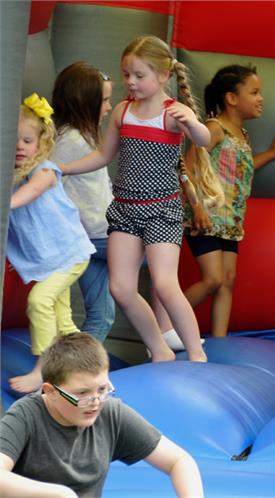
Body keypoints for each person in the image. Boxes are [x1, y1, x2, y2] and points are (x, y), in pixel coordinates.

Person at [60, 35, 210, 362]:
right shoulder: (123, 112)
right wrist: (64, 168)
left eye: (139, 75)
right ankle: (159, 349)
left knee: (165, 284)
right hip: (125, 211)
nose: (131, 81)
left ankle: (197, 354)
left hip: (161, 210)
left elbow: (204, 140)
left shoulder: (173, 114)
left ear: (164, 75)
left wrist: (193, 123)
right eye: (126, 74)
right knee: (121, 288)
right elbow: (103, 155)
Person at [155, 63, 275, 338]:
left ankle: (220, 339)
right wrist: (197, 207)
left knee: (227, 282)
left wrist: (272, 153)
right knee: (213, 279)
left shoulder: (241, 134)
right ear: (232, 98)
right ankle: (161, 326)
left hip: (229, 222)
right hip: (206, 218)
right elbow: (187, 166)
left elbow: (240, 167)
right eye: (254, 93)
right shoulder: (215, 128)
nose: (260, 99)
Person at [0, 333, 203, 498]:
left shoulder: (110, 413)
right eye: (82, 393)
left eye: (103, 389)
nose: (95, 401)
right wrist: (58, 494)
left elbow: (180, 461)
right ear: (51, 391)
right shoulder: (26, 415)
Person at [7, 94, 95, 393]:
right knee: (63, 320)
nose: (20, 147)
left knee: (39, 301)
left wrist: (6, 204)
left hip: (69, 254)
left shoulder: (44, 170)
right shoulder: (13, 179)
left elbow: (33, 191)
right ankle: (88, 365)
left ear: (41, 143)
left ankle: (43, 368)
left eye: (27, 141)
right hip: (51, 260)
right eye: (14, 141)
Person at [50, 61, 116, 343]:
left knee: (102, 314)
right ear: (84, 102)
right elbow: (50, 185)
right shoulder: (70, 141)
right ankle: (164, 331)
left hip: (92, 237)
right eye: (105, 101)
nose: (109, 108)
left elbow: (98, 189)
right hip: (94, 236)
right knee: (157, 251)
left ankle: (79, 365)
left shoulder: (84, 136)